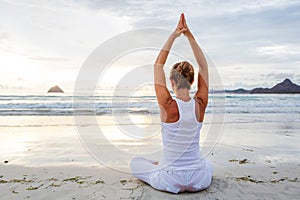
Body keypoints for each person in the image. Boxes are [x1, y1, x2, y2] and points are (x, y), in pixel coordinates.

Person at [130, 13, 213, 194]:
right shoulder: (200, 103)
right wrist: (190, 36)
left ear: (171, 82)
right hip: (198, 178)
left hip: (169, 178)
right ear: (192, 82)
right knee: (207, 163)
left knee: (135, 162)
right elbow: (204, 67)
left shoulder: (167, 104)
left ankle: (160, 163)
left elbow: (158, 65)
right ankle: (166, 165)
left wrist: (174, 35)